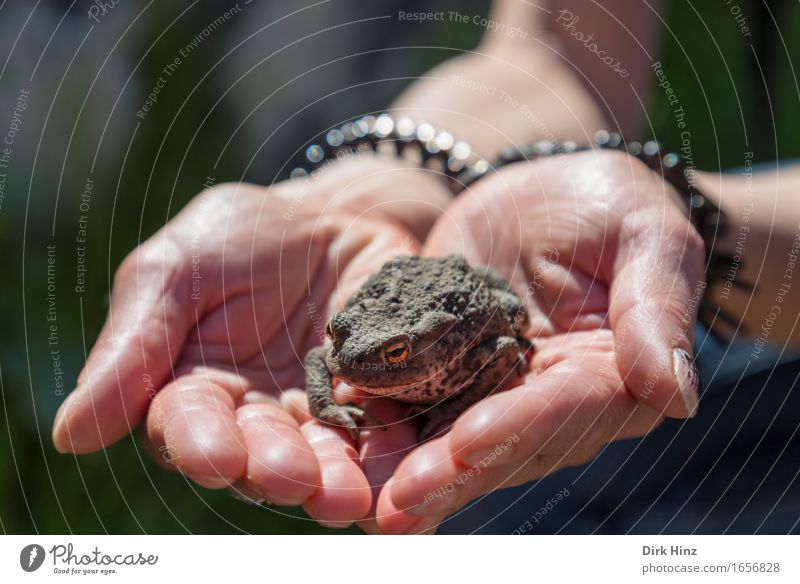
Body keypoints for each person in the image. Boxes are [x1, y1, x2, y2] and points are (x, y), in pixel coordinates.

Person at [51, 0, 800, 533]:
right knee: (488, 513)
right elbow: (552, 57)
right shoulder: (356, 349)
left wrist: (700, 229)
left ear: (424, 352)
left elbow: (508, 346)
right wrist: (394, 178)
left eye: (390, 357)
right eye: (352, 345)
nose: (354, 362)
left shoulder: (459, 341)